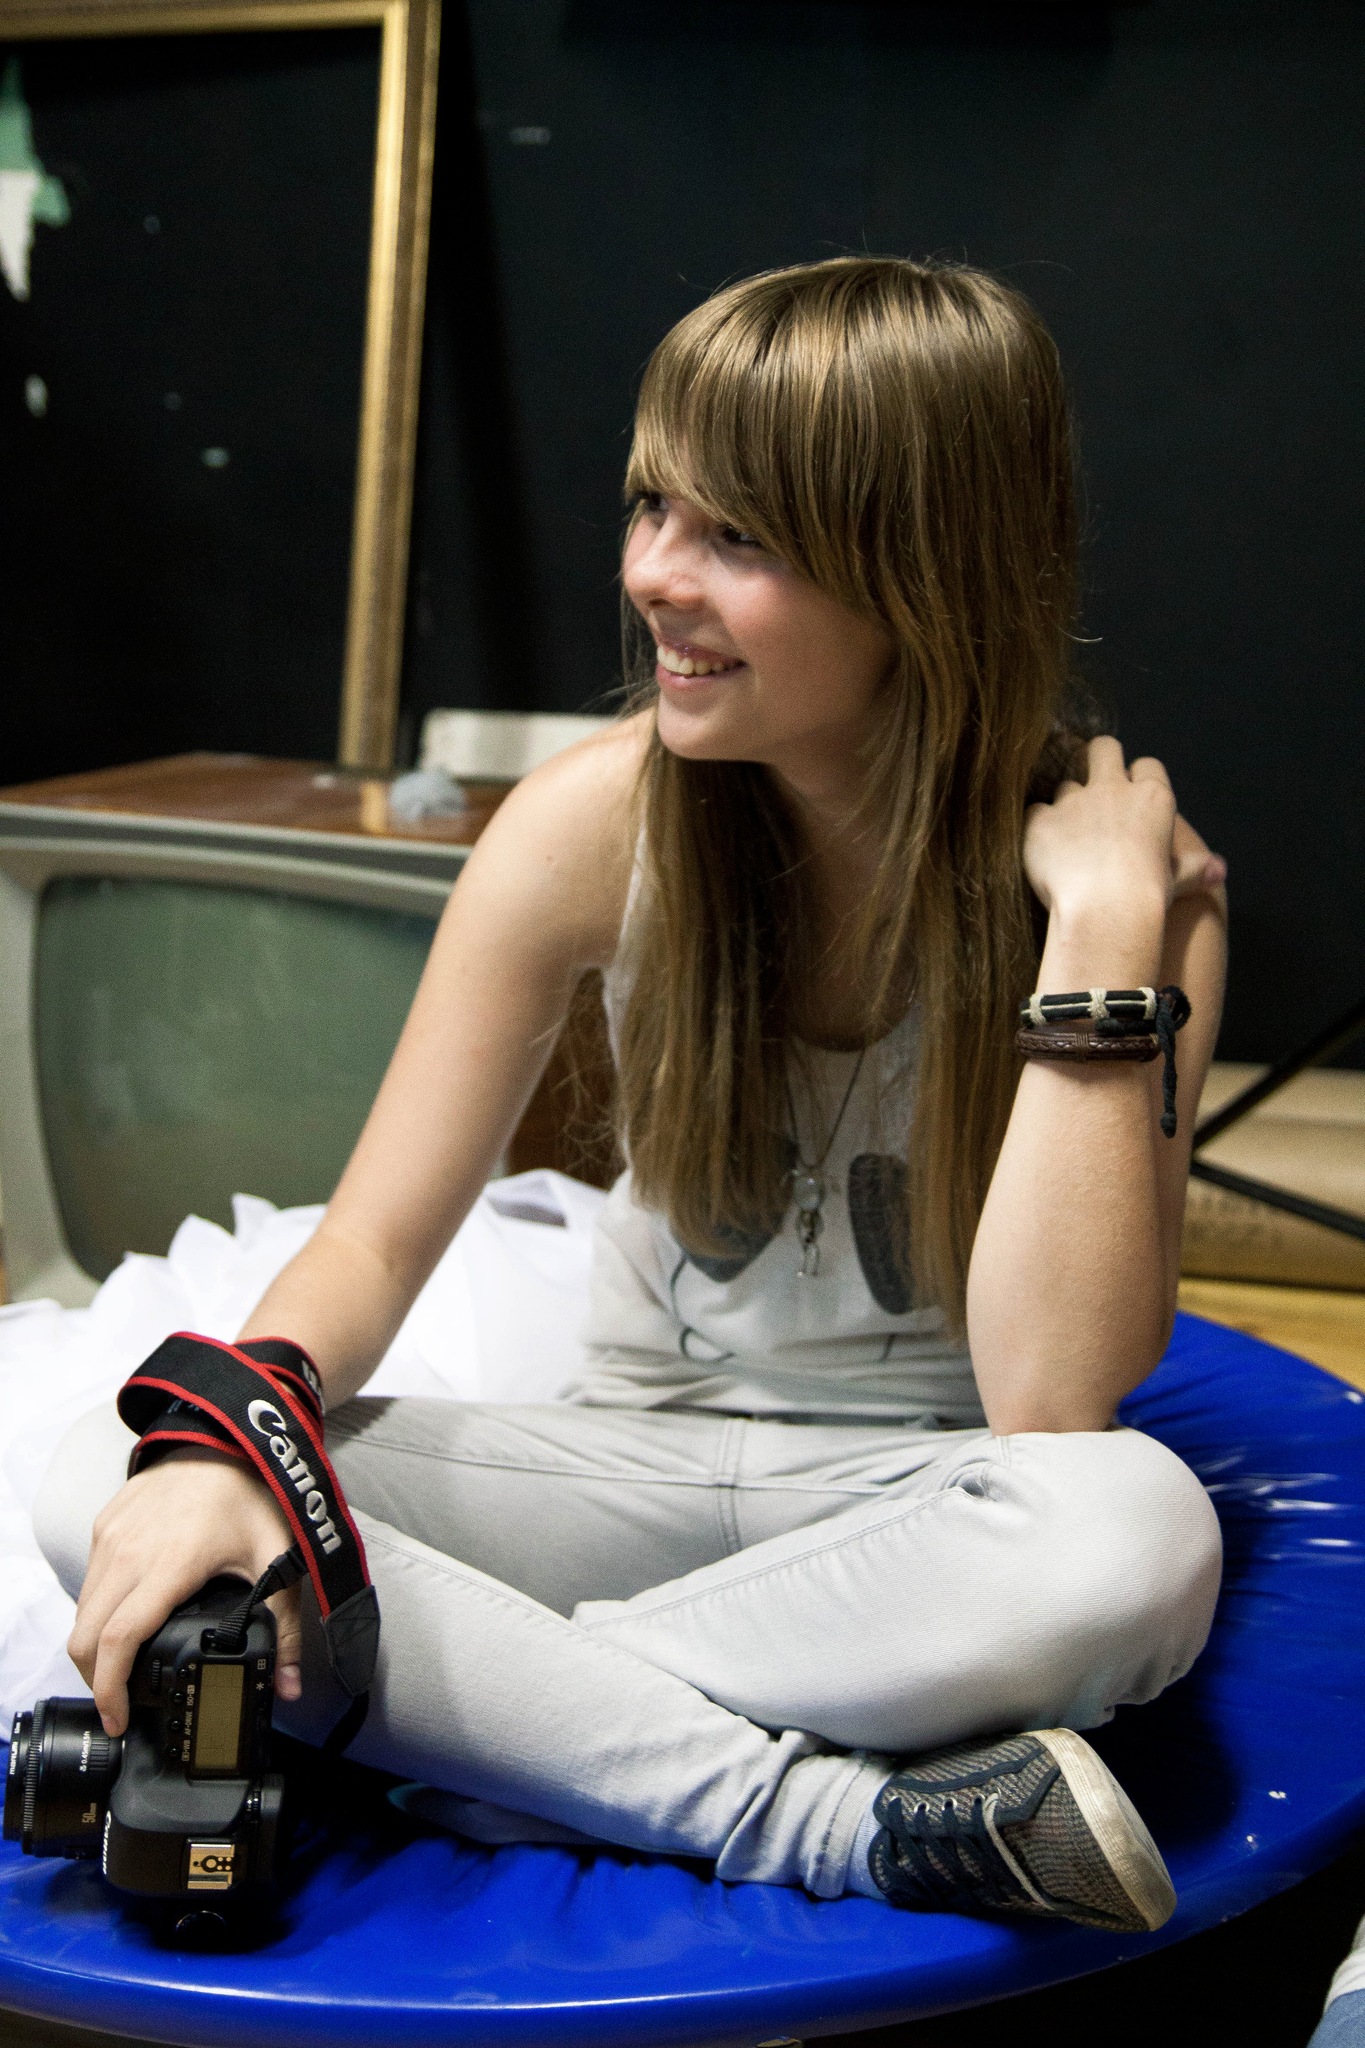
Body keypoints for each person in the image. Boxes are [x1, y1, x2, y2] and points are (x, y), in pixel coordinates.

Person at [35, 256, 1228, 1928]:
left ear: (924, 569)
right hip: (613, 1471)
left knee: (1131, 1541)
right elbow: (369, 1246)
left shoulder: (1131, 903)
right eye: (652, 506)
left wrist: (1097, 941)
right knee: (109, 1485)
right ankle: (817, 1818)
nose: (651, 574)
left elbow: (1050, 1396)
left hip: (907, 1518)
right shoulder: (588, 825)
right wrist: (240, 1443)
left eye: (735, 535)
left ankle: (496, 1741)